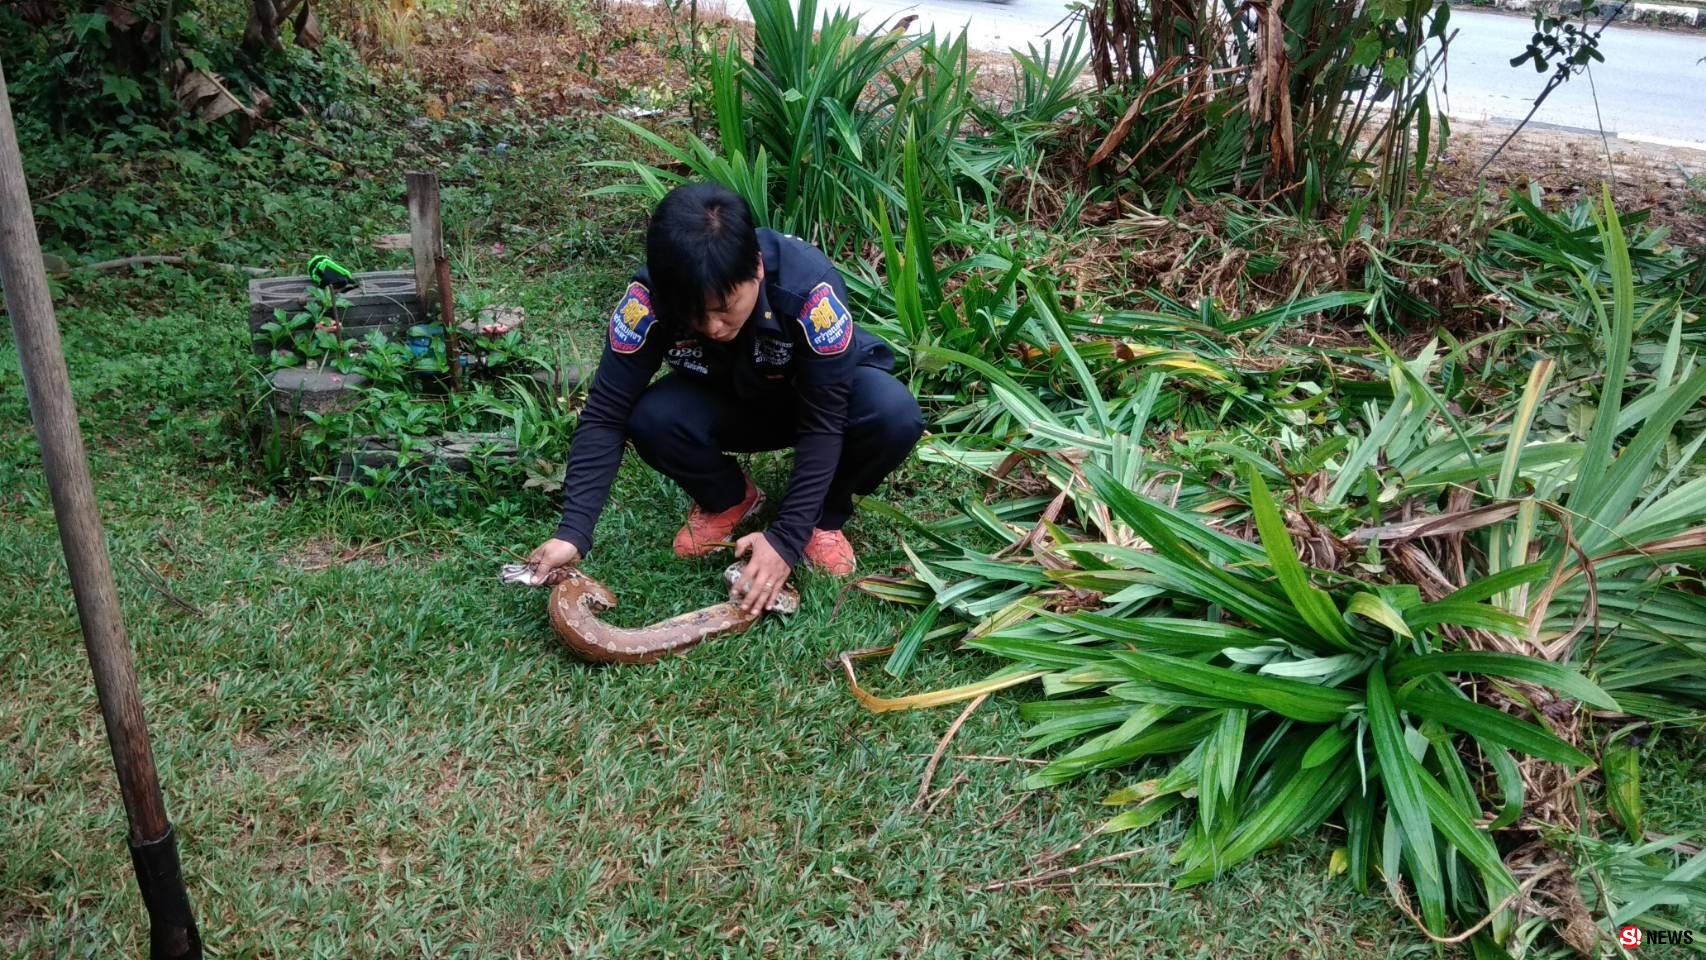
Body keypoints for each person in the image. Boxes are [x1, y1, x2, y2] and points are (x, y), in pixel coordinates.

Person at [526, 183, 924, 615]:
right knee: (651, 417)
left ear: (756, 269)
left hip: (816, 401)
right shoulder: (648, 300)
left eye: (725, 307)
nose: (713, 326)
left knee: (893, 413)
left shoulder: (809, 290)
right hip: (730, 398)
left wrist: (786, 539)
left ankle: (822, 520)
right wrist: (574, 532)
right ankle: (729, 496)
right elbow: (605, 414)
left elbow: (823, 422)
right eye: (695, 315)